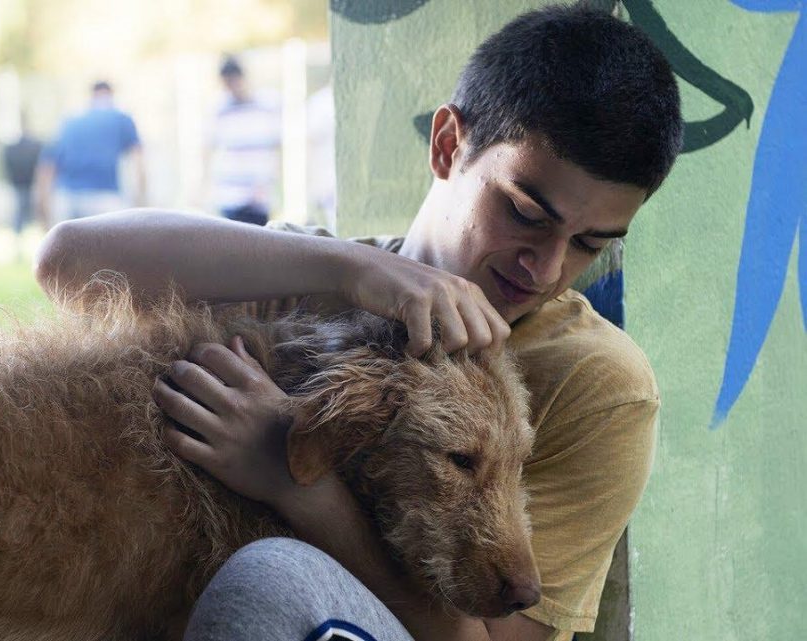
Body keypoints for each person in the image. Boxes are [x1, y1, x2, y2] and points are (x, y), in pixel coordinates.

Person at [34, 5, 681, 641]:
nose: (545, 267)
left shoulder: (601, 382)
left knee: (272, 581)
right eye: (524, 213)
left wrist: (295, 483)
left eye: (590, 244)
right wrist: (346, 266)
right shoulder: (311, 283)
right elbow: (67, 264)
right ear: (449, 144)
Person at [34, 81, 145, 225]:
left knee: (69, 247)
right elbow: (139, 162)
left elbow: (47, 166)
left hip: (67, 198)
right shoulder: (121, 118)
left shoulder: (69, 122)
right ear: (111, 95)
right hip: (105, 199)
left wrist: (42, 205)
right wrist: (141, 201)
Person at [205, 56, 282, 226]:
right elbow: (208, 148)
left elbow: (276, 148)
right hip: (230, 195)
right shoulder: (219, 109)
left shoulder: (267, 105)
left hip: (259, 197)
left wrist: (269, 181)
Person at [1, 114, 43, 235]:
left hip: (24, 183)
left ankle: (21, 235)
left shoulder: (15, 147)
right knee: (24, 212)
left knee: (24, 212)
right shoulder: (34, 145)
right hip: (25, 183)